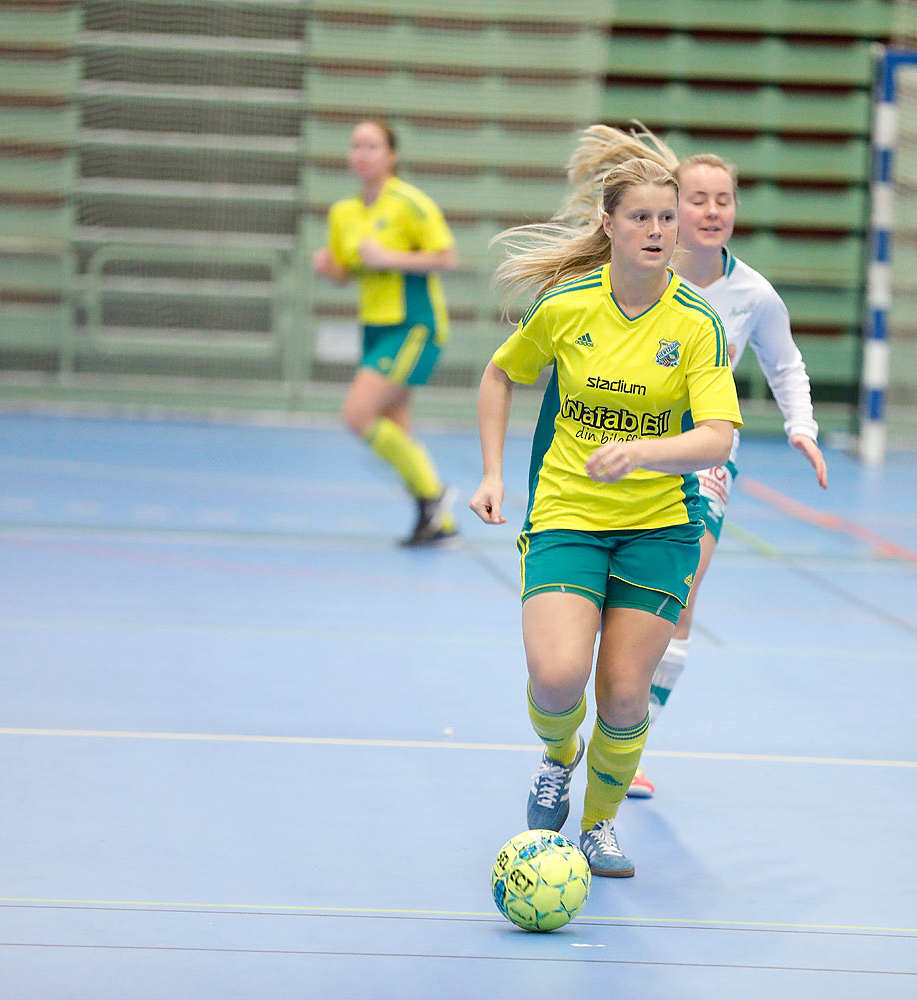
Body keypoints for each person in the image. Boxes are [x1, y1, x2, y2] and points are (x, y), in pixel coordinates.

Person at [469, 157, 742, 877]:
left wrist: (645, 453)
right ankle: (560, 756)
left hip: (660, 526)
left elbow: (717, 436)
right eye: (641, 217)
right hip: (569, 513)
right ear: (609, 225)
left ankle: (598, 825)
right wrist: (494, 472)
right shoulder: (568, 307)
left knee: (623, 695)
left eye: (666, 217)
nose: (658, 230)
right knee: (558, 677)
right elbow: (501, 372)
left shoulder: (696, 323)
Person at [554, 124, 828, 799]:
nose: (711, 211)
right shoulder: (644, 269)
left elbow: (784, 363)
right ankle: (572, 711)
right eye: (698, 199)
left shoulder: (754, 296)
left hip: (700, 460)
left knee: (677, 599)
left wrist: (802, 426)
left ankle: (628, 741)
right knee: (601, 607)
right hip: (618, 448)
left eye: (724, 199)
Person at [313, 119, 460, 545]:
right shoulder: (343, 213)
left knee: (358, 415)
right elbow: (347, 273)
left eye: (372, 145)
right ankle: (438, 522)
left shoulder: (409, 203)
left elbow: (447, 258)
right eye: (355, 145)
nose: (362, 153)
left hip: (414, 326)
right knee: (397, 426)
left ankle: (435, 495)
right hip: (374, 329)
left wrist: (388, 256)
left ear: (391, 154)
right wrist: (330, 270)